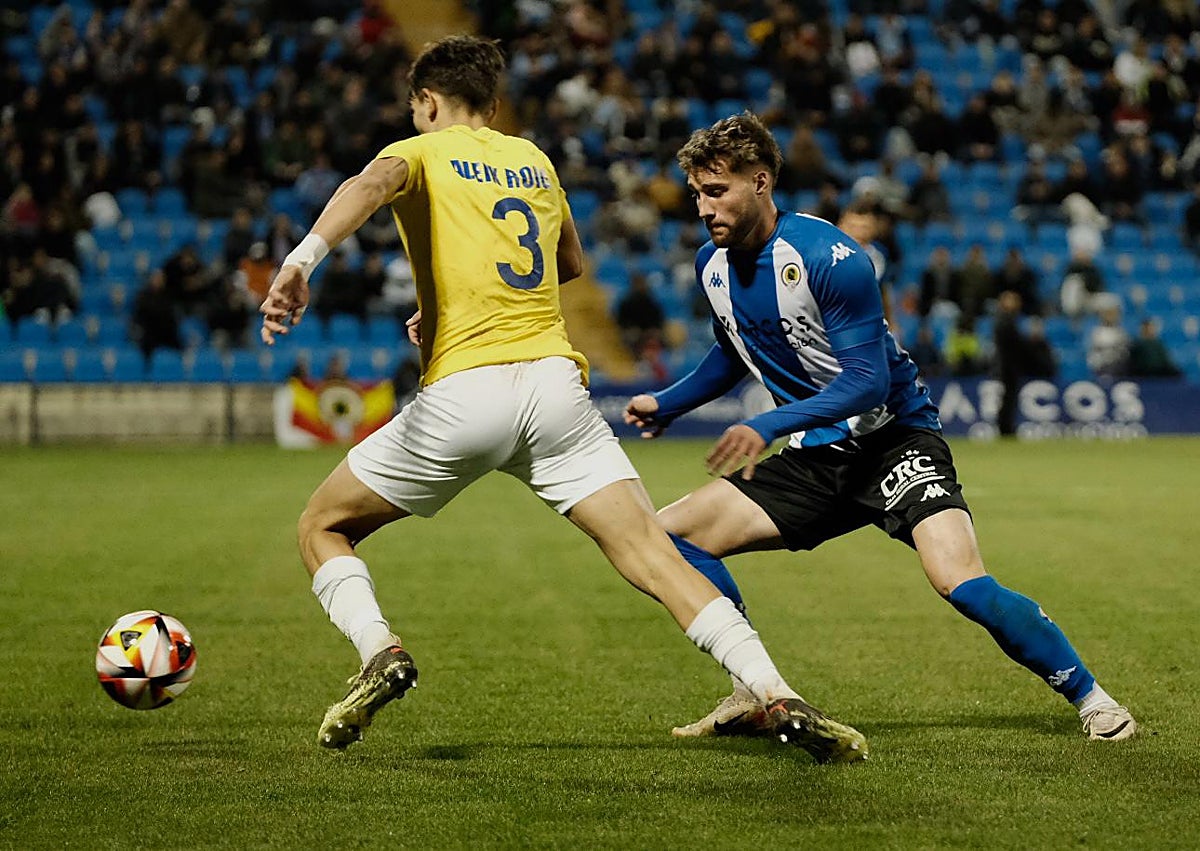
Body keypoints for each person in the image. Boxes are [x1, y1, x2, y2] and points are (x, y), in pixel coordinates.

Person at [258, 37, 865, 762]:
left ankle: (377, 649)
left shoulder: (416, 152)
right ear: (493, 103)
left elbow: (366, 185)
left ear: (427, 103)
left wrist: (299, 263)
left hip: (466, 389)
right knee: (652, 553)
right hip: (554, 387)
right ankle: (775, 690)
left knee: (322, 524)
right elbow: (570, 262)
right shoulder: (534, 161)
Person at [623, 113, 1136, 744]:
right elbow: (733, 352)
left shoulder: (832, 258)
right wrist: (669, 403)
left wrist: (770, 422)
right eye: (698, 193)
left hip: (896, 442)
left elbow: (866, 383)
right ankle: (754, 692)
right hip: (818, 453)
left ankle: (1094, 698)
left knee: (960, 582)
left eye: (717, 190)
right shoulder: (713, 264)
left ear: (760, 182)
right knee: (666, 538)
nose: (703, 207)